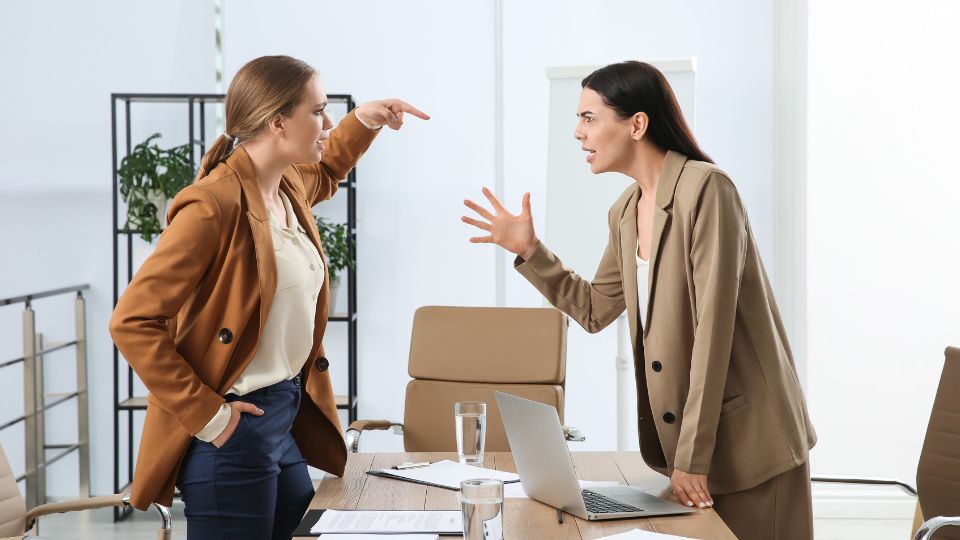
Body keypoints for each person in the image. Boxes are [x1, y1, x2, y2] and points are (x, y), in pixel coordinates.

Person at [461, 61, 816, 540]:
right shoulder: (626, 211)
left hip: (751, 447)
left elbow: (715, 331)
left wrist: (692, 460)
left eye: (589, 118)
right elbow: (593, 309)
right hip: (693, 455)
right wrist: (528, 251)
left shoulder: (707, 189)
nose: (577, 132)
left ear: (637, 124)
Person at [110, 54, 428, 540]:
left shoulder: (285, 186)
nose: (326, 123)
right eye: (318, 111)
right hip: (233, 430)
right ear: (278, 122)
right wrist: (211, 418)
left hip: (284, 415)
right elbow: (132, 321)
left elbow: (329, 165)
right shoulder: (212, 205)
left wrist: (365, 119)